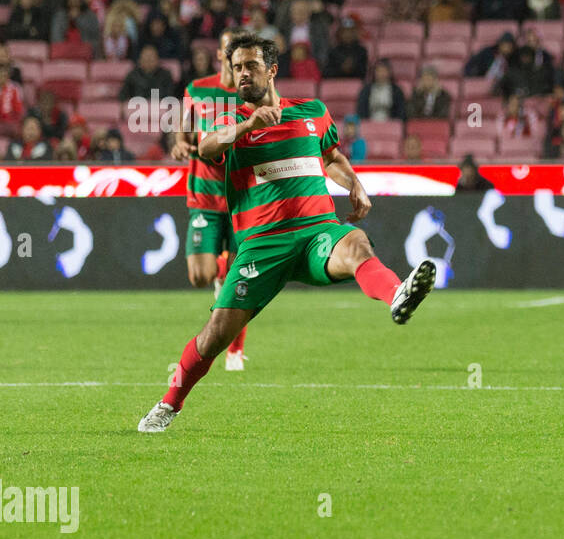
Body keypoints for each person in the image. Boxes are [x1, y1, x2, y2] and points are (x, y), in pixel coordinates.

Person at [138, 35, 437, 433]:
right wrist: (247, 124)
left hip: (317, 232)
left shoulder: (311, 111)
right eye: (238, 67)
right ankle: (168, 404)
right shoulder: (231, 119)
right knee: (213, 338)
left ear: (272, 70)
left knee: (357, 243)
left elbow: (331, 156)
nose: (243, 73)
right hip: (262, 245)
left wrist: (354, 184)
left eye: (252, 66)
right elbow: (208, 146)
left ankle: (397, 294)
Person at [170, 29, 251, 370]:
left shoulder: (253, 94)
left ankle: (234, 351)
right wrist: (179, 143)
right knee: (200, 277)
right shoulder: (197, 89)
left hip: (242, 197)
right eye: (227, 49)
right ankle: (221, 273)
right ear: (220, 54)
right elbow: (182, 127)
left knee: (242, 279)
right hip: (204, 193)